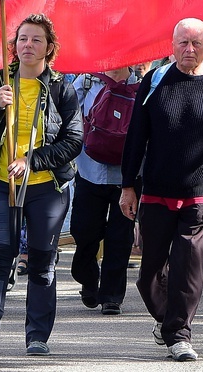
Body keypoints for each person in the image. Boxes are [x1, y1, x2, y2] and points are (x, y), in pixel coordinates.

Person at [119, 18, 203, 362]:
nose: (189, 49)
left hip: (200, 192)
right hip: (156, 191)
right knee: (149, 274)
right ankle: (167, 320)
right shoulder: (156, 81)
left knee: (188, 268)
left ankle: (179, 334)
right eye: (183, 43)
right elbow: (136, 138)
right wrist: (128, 186)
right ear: (172, 44)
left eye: (196, 43)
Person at [0, 13, 82, 360]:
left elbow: (73, 140)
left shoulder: (62, 88)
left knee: (43, 261)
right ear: (14, 46)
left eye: (36, 40)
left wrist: (33, 160)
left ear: (49, 48)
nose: (28, 45)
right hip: (2, 186)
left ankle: (37, 335)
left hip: (46, 190)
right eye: (23, 39)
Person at [70, 67, 140, 316]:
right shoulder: (86, 81)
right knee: (84, 231)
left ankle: (112, 295)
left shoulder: (142, 84)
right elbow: (67, 115)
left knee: (120, 238)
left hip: (129, 175)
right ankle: (88, 279)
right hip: (89, 170)